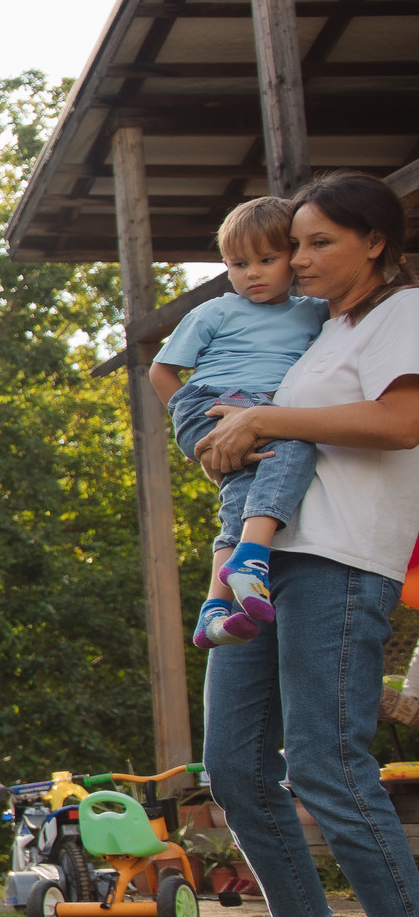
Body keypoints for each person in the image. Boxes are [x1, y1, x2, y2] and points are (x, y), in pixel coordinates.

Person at [190, 174, 419, 917]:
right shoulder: (320, 334)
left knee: (326, 761)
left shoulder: (404, 313)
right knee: (233, 763)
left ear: (376, 243)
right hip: (264, 564)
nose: (301, 258)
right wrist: (231, 442)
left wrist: (269, 421)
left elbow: (402, 421)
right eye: (298, 243)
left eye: (321, 242)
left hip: (342, 559)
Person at [150, 197, 331, 645]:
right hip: (210, 401)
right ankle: (252, 557)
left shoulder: (312, 311)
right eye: (238, 264)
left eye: (267, 260)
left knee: (242, 495)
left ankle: (214, 610)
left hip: (257, 409)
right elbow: (161, 370)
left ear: (293, 256)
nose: (252, 273)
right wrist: (193, 430)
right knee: (295, 441)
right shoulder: (216, 310)